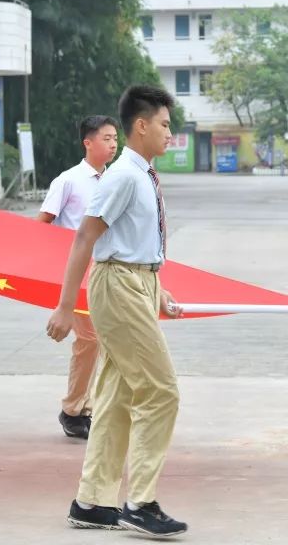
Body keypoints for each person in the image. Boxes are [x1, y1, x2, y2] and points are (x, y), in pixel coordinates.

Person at [46, 85, 187, 538]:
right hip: (118, 285)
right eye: (165, 124)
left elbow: (136, 241)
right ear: (141, 126)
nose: (170, 132)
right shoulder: (124, 175)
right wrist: (66, 307)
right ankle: (140, 502)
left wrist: (157, 287)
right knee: (161, 390)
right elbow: (85, 238)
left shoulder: (142, 174)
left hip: (139, 282)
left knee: (116, 398)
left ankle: (92, 502)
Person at [37, 115, 119, 439]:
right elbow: (40, 224)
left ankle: (82, 407)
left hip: (109, 270)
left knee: (100, 341)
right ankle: (74, 410)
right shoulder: (68, 181)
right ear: (88, 142)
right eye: (107, 138)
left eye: (115, 138)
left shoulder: (116, 180)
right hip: (76, 273)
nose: (113, 144)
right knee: (90, 338)